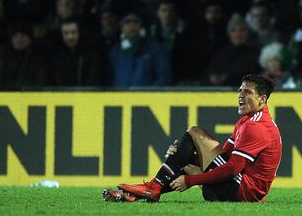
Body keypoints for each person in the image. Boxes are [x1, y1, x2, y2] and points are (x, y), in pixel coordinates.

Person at [103, 74, 282, 203]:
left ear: (262, 100)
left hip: (240, 192)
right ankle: (141, 193)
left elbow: (233, 168)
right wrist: (184, 154)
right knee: (188, 162)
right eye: (240, 90)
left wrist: (190, 180)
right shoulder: (247, 120)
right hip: (241, 190)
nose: (241, 95)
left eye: (248, 92)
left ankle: (153, 186)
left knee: (195, 132)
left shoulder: (255, 126)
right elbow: (225, 155)